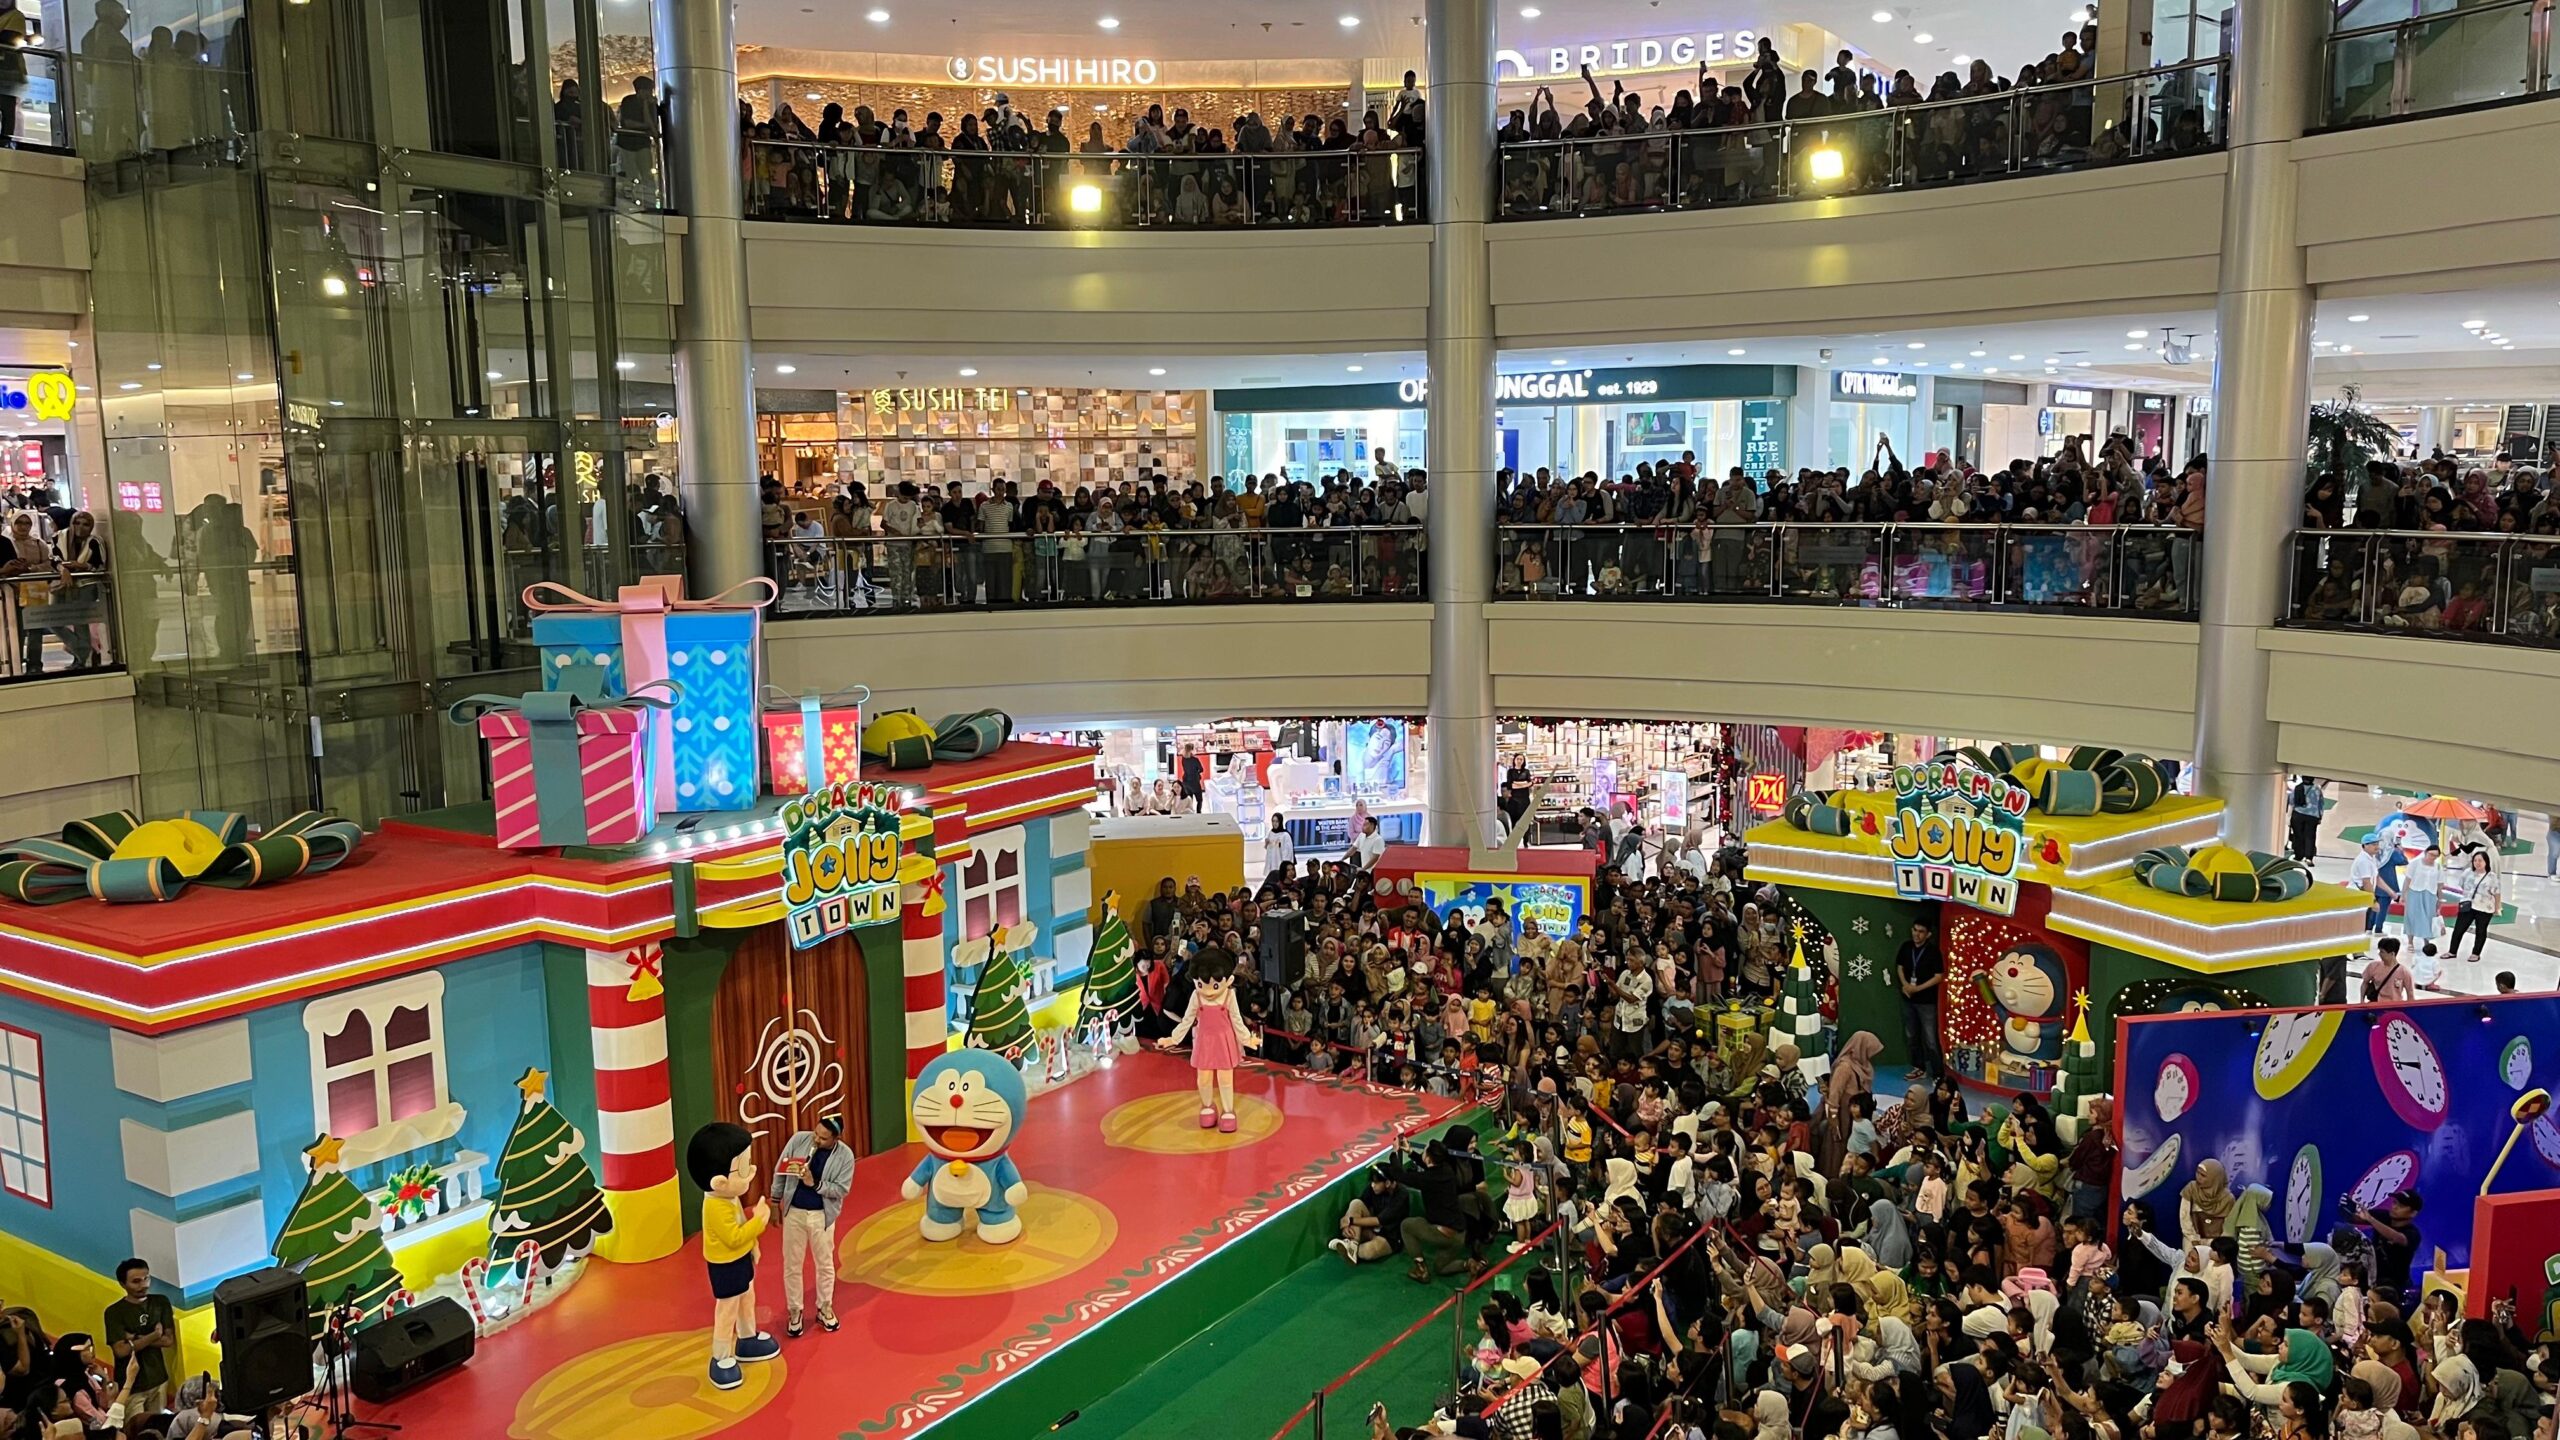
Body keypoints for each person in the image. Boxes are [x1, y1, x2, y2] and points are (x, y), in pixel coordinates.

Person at [685, 1122, 780, 1389]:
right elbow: (734, 1236)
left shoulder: (729, 1198)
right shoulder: (716, 1206)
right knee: (727, 1309)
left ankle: (747, 1338)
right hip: (725, 1265)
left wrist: (753, 1246)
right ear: (720, 1182)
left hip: (740, 1259)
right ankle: (721, 1356)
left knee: (747, 1298)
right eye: (743, 1168)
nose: (752, 1172)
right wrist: (759, 1222)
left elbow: (740, 1229)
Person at [769, 1113, 854, 1338]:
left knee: (825, 1264)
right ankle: (794, 1311)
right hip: (794, 1213)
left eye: (823, 1138)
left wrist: (814, 1184)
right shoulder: (798, 1140)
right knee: (792, 1264)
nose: (816, 1139)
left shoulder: (845, 1156)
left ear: (836, 1138)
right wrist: (775, 1200)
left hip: (821, 1216)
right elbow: (780, 1170)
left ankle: (825, 1307)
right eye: (816, 1133)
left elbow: (841, 1190)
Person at [1158, 946, 1259, 1131]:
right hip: (1204, 1042)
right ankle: (1207, 1106)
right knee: (1203, 1079)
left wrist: (1247, 1039)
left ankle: (1228, 1110)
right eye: (1200, 984)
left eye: (1214, 985)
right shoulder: (1196, 996)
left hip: (1224, 1042)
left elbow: (1237, 1020)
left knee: (1225, 1079)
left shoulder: (1229, 995)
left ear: (1228, 980)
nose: (1208, 990)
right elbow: (1187, 1020)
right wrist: (1173, 1038)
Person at [102, 1257, 175, 1419]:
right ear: (123, 1284)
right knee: (135, 1426)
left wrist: (134, 1338)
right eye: (136, 1281)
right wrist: (154, 1335)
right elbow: (121, 1350)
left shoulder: (160, 1302)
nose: (143, 1285)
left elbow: (168, 1340)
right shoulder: (114, 1312)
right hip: (132, 1384)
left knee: (158, 1425)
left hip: (158, 1379)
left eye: (146, 1278)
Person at [1895, 919, 1942, 1079]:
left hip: (1927, 1002)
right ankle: (1919, 1068)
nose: (1916, 934)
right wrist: (1905, 985)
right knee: (1911, 1036)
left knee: (1930, 1039)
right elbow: (1900, 967)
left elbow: (1938, 976)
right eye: (1915, 930)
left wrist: (1917, 988)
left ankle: (1938, 1075)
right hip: (1908, 999)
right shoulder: (1906, 947)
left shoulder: (1933, 951)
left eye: (1921, 931)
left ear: (1928, 934)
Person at [2447, 850, 2500, 961]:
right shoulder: (2467, 872)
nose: (2477, 863)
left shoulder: (2492, 876)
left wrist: (2497, 908)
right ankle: (2452, 951)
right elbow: (2462, 885)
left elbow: (2497, 893)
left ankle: (2476, 953)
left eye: (2480, 860)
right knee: (2458, 929)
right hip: (2468, 905)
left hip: (2484, 908)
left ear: (2486, 862)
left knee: (2481, 931)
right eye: (2475, 860)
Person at [2348, 835, 2387, 934]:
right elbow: (2366, 882)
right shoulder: (2363, 861)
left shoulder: (2371, 858)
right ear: (2365, 845)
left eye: (2377, 844)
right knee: (2358, 926)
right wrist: (2373, 901)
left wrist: (2392, 893)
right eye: (2374, 844)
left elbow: (2376, 878)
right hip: (2357, 896)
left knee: (2362, 925)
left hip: (2363, 895)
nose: (2377, 847)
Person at [2287, 777, 2324, 862]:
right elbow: (2321, 803)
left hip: (2298, 814)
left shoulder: (2297, 787)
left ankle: (2298, 855)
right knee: (2310, 836)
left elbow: (2292, 801)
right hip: (2312, 815)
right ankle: (2309, 857)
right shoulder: (2317, 789)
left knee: (2298, 836)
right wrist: (2320, 816)